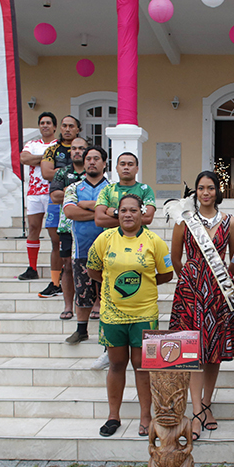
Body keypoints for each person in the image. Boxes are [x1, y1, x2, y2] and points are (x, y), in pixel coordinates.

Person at [86, 194, 173, 438]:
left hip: (144, 313)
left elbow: (166, 274)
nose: (127, 214)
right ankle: (113, 416)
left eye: (133, 210)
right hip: (112, 314)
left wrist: (144, 283)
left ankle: (146, 416)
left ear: (141, 213)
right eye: (123, 210)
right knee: (115, 364)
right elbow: (93, 269)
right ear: (118, 213)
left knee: (142, 366)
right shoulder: (105, 239)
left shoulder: (154, 241)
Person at [169, 171, 234, 441]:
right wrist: (191, 278)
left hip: (218, 294)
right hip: (190, 292)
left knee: (214, 351)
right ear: (195, 192)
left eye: (210, 188)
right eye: (200, 188)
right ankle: (196, 410)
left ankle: (207, 403)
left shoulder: (230, 222)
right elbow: (175, 258)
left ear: (217, 191)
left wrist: (222, 278)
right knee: (193, 351)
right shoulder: (184, 221)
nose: (205, 192)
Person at [92, 152, 156, 370]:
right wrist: (120, 215)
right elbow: (98, 219)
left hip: (140, 248)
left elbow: (147, 218)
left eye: (131, 164)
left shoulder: (145, 189)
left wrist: (114, 211)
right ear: (116, 168)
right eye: (122, 164)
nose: (126, 167)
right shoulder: (108, 189)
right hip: (111, 248)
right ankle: (107, 351)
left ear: (137, 168)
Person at [62, 144, 109, 344]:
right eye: (88, 158)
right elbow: (70, 212)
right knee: (83, 292)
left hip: (109, 250)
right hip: (82, 249)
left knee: (108, 293)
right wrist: (100, 211)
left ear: (104, 163)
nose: (91, 162)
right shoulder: (74, 187)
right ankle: (81, 330)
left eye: (96, 158)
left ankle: (108, 333)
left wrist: (87, 207)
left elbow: (117, 212)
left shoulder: (112, 188)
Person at [38, 115, 82, 298]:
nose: (67, 129)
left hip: (79, 206)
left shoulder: (85, 149)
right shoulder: (52, 149)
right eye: (64, 126)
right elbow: (46, 172)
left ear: (77, 129)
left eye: (71, 126)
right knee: (56, 242)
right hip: (56, 202)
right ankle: (55, 282)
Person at [49, 137, 88, 322]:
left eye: (81, 148)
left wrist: (71, 194)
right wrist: (80, 194)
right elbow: (55, 196)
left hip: (90, 227)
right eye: (74, 148)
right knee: (67, 266)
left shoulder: (94, 173)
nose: (77, 151)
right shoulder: (62, 172)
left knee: (93, 264)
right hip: (66, 225)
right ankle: (67, 305)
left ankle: (94, 303)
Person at [17, 112, 57, 281]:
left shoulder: (58, 144)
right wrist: (46, 157)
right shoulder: (32, 143)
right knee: (33, 228)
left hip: (52, 191)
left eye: (48, 123)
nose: (45, 125)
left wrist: (37, 160)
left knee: (54, 232)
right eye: (42, 123)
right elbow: (23, 158)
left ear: (54, 127)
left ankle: (58, 269)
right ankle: (32, 267)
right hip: (34, 192)